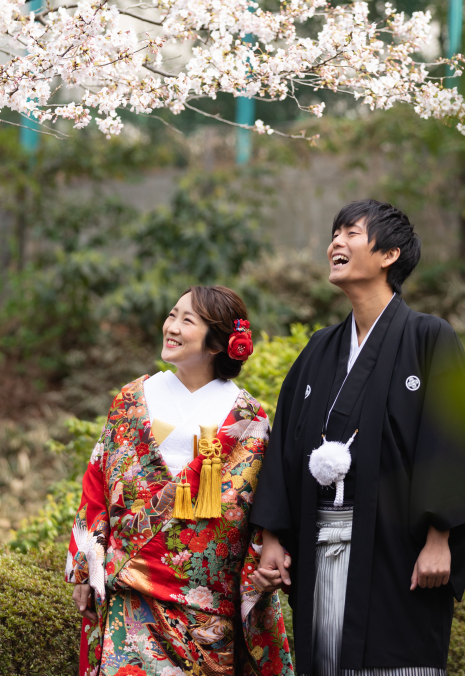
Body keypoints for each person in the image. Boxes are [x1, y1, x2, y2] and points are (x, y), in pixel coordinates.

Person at [250, 200, 465, 676]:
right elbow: (286, 442)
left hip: (396, 548)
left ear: (389, 254)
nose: (335, 244)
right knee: (324, 659)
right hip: (320, 541)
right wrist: (270, 536)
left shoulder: (429, 338)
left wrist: (439, 538)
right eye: (334, 234)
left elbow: (450, 439)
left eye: (350, 233)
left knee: (396, 658)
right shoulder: (318, 350)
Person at [66, 284, 294, 676]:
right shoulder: (133, 398)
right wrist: (87, 570)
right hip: (130, 592)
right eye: (172, 315)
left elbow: (262, 504)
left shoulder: (247, 419)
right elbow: (97, 484)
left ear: (218, 343)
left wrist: (267, 554)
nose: (170, 326)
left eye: (186, 320)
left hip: (206, 607)